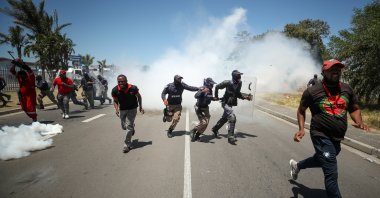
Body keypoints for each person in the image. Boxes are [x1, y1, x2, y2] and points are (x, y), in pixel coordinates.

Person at [290, 59, 369, 198]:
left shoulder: (346, 89)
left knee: (323, 159)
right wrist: (301, 129)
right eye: (332, 68)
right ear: (323, 72)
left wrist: (359, 121)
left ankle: (297, 166)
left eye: (338, 68)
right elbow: (301, 110)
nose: (336, 71)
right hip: (320, 134)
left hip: (337, 137)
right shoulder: (312, 91)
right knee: (331, 171)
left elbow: (354, 108)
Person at [211, 70, 252, 144]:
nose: (240, 77)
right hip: (225, 103)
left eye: (240, 76)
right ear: (234, 76)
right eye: (238, 76)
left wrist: (246, 97)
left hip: (230, 104)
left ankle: (215, 129)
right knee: (232, 117)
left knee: (224, 118)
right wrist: (216, 97)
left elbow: (237, 93)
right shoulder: (227, 82)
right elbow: (217, 87)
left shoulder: (239, 83)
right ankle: (230, 137)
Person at [112, 74, 144, 153]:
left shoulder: (133, 88)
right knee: (124, 127)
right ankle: (132, 127)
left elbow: (139, 97)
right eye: (119, 82)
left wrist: (140, 107)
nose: (121, 83)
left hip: (132, 109)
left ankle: (127, 144)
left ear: (126, 81)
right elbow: (115, 101)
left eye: (122, 81)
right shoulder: (115, 90)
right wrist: (116, 109)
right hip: (122, 109)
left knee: (128, 126)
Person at [189, 77, 217, 142]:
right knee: (204, 123)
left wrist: (214, 99)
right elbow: (196, 96)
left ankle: (197, 136)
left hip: (206, 108)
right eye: (211, 84)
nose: (212, 85)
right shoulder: (203, 88)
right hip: (199, 108)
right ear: (208, 84)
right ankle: (194, 130)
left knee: (206, 123)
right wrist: (202, 91)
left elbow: (209, 97)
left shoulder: (210, 90)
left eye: (213, 84)